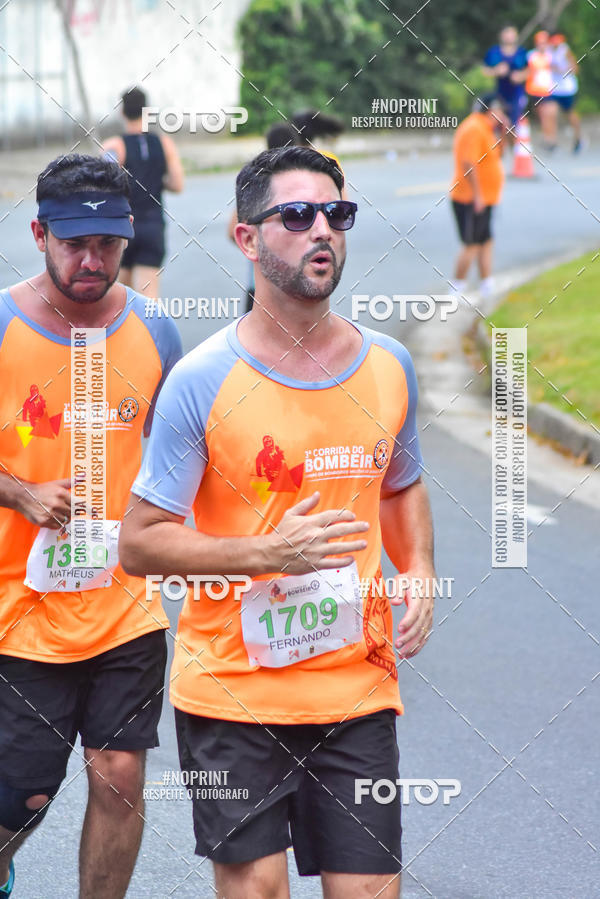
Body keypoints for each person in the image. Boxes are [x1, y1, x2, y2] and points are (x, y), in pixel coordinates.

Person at [120, 146, 435, 898]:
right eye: (296, 215)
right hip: (232, 693)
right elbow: (139, 541)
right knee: (257, 888)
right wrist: (269, 551)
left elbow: (401, 486)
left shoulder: (389, 366)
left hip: (355, 689)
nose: (322, 229)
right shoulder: (201, 381)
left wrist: (419, 567)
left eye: (336, 213)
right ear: (247, 237)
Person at [0, 154, 182, 898]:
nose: (91, 261)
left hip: (123, 604)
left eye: (107, 244)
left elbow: (180, 465)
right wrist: (18, 492)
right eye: (74, 243)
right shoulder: (2, 325)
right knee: (21, 797)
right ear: (39, 234)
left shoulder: (156, 333)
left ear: (129, 234)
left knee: (119, 773)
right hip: (20, 611)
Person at [102, 86, 184, 298]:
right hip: (153, 226)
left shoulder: (114, 146)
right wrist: (156, 181)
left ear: (122, 112)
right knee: (149, 299)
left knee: (117, 298)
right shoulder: (164, 143)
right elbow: (177, 184)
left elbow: (103, 186)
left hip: (122, 227)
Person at [450, 94, 508, 300]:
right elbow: (468, 163)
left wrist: (503, 131)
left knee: (485, 241)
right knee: (472, 244)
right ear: (491, 110)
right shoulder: (474, 128)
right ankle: (457, 288)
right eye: (500, 111)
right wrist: (478, 196)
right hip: (470, 198)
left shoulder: (487, 128)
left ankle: (487, 283)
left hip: (485, 197)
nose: (502, 114)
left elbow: (499, 155)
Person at [482, 25, 529, 133]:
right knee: (496, 121)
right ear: (501, 36)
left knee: (513, 125)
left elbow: (529, 71)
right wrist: (496, 71)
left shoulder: (521, 53)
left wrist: (520, 76)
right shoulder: (494, 52)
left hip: (516, 93)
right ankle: (497, 141)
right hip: (497, 92)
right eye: (507, 34)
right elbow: (484, 71)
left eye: (512, 34)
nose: (509, 37)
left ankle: (512, 140)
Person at [526, 31, 559, 149]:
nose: (542, 45)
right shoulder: (531, 56)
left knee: (552, 114)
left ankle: (552, 138)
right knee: (544, 115)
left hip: (550, 89)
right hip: (536, 90)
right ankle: (548, 139)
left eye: (544, 43)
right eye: (540, 43)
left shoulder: (551, 55)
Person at [549, 33, 582, 152]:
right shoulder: (548, 50)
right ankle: (552, 142)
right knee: (552, 113)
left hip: (567, 89)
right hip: (554, 88)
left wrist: (564, 70)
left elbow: (575, 69)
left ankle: (578, 138)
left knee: (570, 113)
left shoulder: (565, 50)